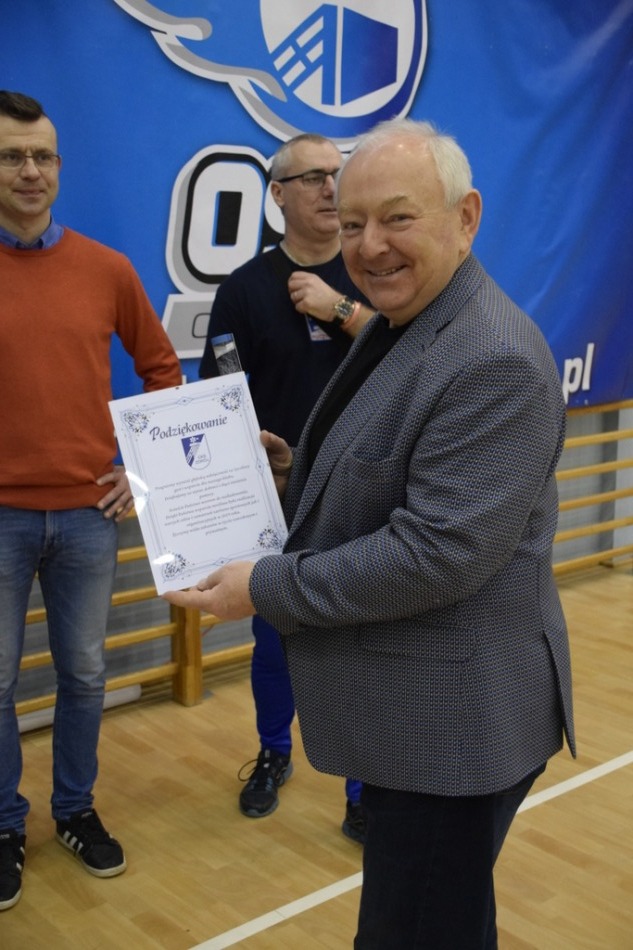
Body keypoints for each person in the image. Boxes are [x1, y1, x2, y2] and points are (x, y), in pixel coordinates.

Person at [166, 118, 576, 948]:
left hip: (454, 729)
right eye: (352, 224)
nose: (368, 246)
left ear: (464, 217)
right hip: (419, 716)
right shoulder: (409, 319)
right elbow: (392, 469)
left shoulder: (491, 355)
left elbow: (435, 555)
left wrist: (262, 586)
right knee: (438, 924)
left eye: (397, 218)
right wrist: (293, 474)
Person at [0, 91, 182, 911]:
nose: (30, 171)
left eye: (42, 156)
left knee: (83, 673)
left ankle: (74, 809)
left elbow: (163, 372)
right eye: (12, 156)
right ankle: (4, 824)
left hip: (87, 516)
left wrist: (137, 471)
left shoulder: (106, 269)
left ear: (59, 167)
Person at [199, 133, 374, 841]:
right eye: (313, 177)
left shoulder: (371, 272)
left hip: (362, 489)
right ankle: (274, 752)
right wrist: (251, 463)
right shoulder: (244, 289)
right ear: (277, 193)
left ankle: (362, 787)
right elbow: (218, 397)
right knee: (273, 638)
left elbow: (414, 353)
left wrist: (339, 309)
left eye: (338, 173)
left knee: (356, 642)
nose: (331, 187)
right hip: (273, 493)